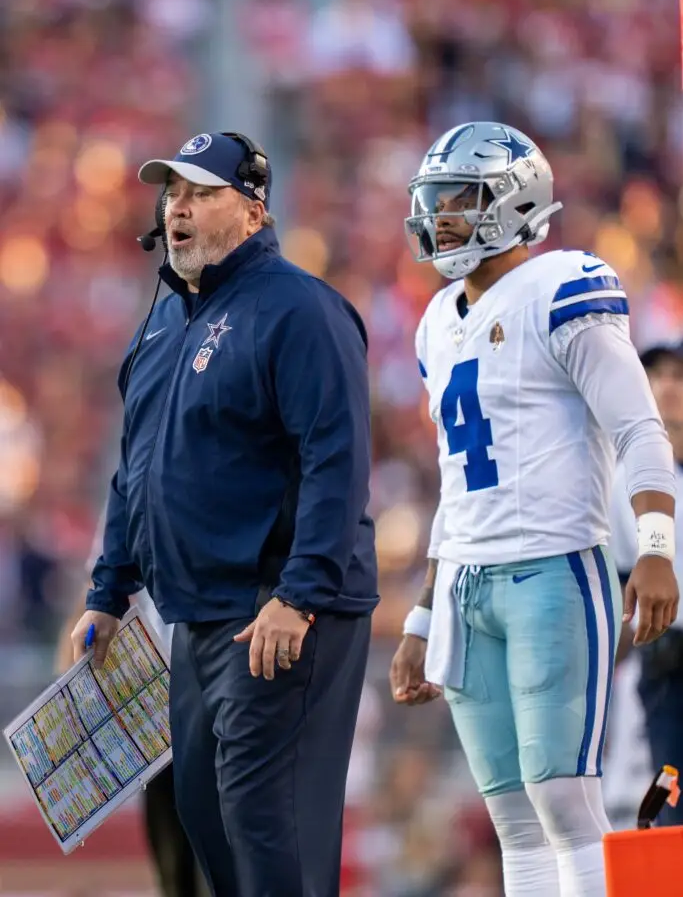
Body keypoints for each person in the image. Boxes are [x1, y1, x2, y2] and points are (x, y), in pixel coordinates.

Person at [69, 131, 378, 897]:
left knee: (266, 820)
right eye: (171, 193)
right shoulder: (162, 325)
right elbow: (135, 470)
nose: (178, 207)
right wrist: (108, 592)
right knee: (203, 812)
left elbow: (335, 461)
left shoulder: (299, 309)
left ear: (253, 211)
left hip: (279, 608)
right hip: (200, 615)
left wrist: (299, 597)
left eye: (201, 193)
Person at [389, 121, 679, 897]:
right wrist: (422, 616)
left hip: (552, 568)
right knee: (511, 815)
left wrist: (654, 545)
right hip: (465, 585)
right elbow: (457, 484)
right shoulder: (435, 323)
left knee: (563, 800)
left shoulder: (562, 287)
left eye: (460, 199)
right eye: (435, 201)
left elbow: (637, 428)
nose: (441, 217)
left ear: (516, 202)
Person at [56, 510, 209, 897]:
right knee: (174, 861)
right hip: (154, 695)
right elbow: (95, 586)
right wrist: (69, 691)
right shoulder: (133, 476)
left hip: (214, 684)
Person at [610, 340, 683, 826]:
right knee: (669, 793)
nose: (669, 386)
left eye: (679, 375)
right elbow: (619, 577)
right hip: (664, 658)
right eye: (658, 374)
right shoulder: (621, 479)